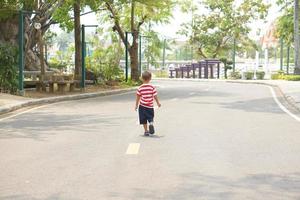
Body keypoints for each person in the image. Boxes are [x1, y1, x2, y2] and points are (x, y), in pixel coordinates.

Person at [135, 71, 161, 136]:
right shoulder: (152, 87)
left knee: (143, 119)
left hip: (142, 106)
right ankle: (151, 123)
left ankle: (146, 131)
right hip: (150, 106)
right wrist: (158, 103)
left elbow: (138, 97)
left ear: (142, 79)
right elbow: (155, 96)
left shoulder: (140, 88)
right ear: (150, 79)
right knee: (150, 117)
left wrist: (136, 105)